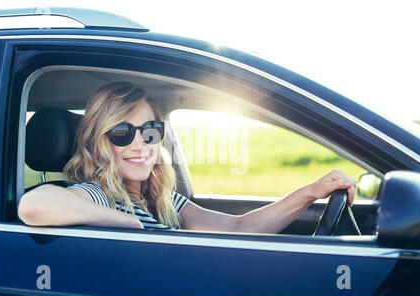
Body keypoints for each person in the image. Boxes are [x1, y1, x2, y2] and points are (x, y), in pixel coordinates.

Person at [18, 82, 357, 233]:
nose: (141, 145)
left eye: (150, 131)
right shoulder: (101, 195)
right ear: (98, 142)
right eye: (122, 133)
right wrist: (130, 225)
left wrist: (313, 190)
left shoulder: (163, 201)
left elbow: (239, 228)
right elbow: (34, 206)